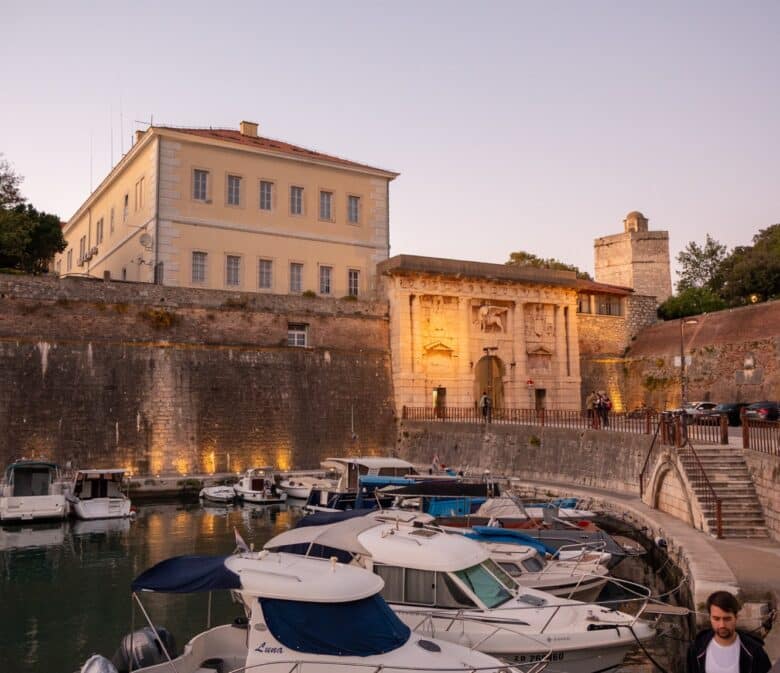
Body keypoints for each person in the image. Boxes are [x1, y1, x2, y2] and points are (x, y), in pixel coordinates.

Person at [687, 590, 772, 673]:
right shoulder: (696, 649)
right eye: (716, 619)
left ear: (736, 617)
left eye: (727, 619)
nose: (722, 625)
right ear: (710, 618)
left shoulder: (755, 652)